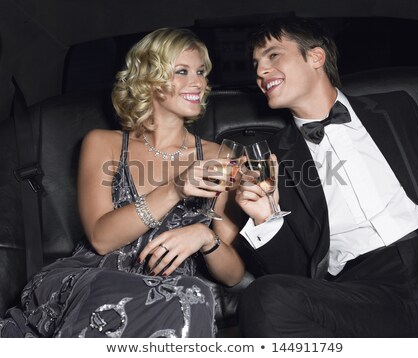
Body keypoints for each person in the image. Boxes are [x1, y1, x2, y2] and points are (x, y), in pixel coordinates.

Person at [0, 27, 244, 338]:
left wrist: (205, 238)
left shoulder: (219, 156)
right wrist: (174, 189)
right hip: (94, 280)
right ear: (148, 79)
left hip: (174, 293)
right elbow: (101, 239)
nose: (198, 82)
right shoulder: (105, 144)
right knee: (184, 297)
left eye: (201, 72)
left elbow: (234, 275)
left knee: (192, 295)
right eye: (182, 71)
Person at [235, 17, 418, 337]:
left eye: (273, 55)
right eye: (256, 64)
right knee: (265, 297)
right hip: (364, 294)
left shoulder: (396, 108)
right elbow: (295, 275)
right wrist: (267, 219)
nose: (260, 71)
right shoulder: (270, 159)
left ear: (316, 57)